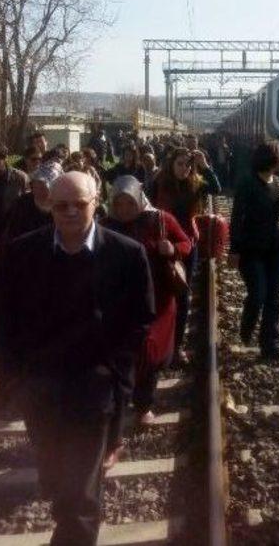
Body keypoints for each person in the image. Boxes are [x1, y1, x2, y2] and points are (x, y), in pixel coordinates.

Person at [0, 172, 155, 546]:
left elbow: (138, 323)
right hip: (40, 389)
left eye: (77, 205)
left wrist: (117, 383)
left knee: (80, 494)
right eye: (59, 205)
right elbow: (4, 323)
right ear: (48, 204)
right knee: (54, 478)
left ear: (96, 202)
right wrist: (13, 382)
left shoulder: (127, 255)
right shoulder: (22, 253)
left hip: (94, 390)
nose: (67, 212)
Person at [102, 177, 191, 428]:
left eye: (129, 203)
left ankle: (144, 405)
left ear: (139, 199)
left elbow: (187, 243)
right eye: (118, 204)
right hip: (120, 301)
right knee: (123, 352)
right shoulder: (106, 224)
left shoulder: (160, 220)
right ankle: (120, 402)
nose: (123, 210)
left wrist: (172, 249)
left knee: (150, 353)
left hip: (158, 300)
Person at [228, 141, 279, 361]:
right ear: (270, 159)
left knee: (274, 298)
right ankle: (247, 326)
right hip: (252, 251)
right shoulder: (247, 183)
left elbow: (277, 213)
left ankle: (270, 345)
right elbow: (237, 218)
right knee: (258, 294)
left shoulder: (276, 182)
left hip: (275, 250)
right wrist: (234, 249)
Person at [152, 147, 221, 365]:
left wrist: (205, 165)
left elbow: (216, 188)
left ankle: (177, 346)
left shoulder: (196, 184)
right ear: (171, 164)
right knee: (160, 293)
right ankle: (159, 343)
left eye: (188, 165)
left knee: (182, 295)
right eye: (180, 164)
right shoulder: (158, 183)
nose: (185, 169)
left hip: (188, 245)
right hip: (162, 245)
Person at [4, 162, 63, 242]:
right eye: (37, 184)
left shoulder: (63, 207)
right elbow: (10, 233)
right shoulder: (22, 203)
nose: (39, 189)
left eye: (44, 186)